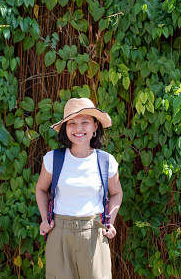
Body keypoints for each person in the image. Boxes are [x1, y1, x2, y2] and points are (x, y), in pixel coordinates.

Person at [36, 97, 123, 279]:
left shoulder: (106, 161)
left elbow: (116, 193)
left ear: (95, 126)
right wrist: (45, 219)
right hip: (59, 234)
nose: (78, 128)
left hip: (94, 234)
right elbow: (41, 190)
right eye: (72, 123)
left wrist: (110, 222)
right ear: (65, 129)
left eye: (85, 122)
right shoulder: (53, 159)